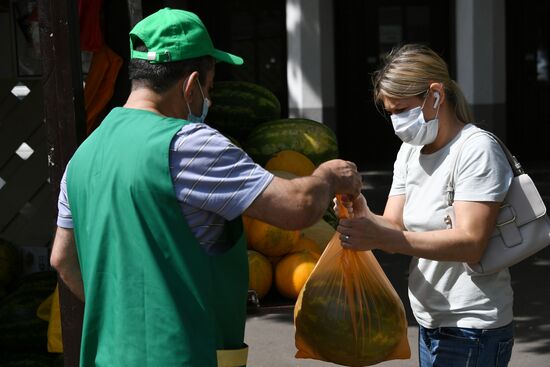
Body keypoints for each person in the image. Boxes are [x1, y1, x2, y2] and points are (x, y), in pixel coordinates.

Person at [50, 8, 362, 367]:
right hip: (180, 354)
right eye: (209, 90)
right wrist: (328, 176)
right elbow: (297, 207)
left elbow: (62, 258)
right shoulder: (188, 143)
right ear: (191, 85)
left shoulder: (84, 155)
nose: (207, 101)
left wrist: (123, 315)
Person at [336, 44, 515, 367]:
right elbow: (393, 225)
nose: (397, 122)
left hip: (472, 326)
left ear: (435, 95)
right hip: (429, 321)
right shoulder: (409, 152)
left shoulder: (476, 150)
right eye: (390, 113)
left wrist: (385, 238)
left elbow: (471, 243)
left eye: (402, 110)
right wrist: (360, 210)